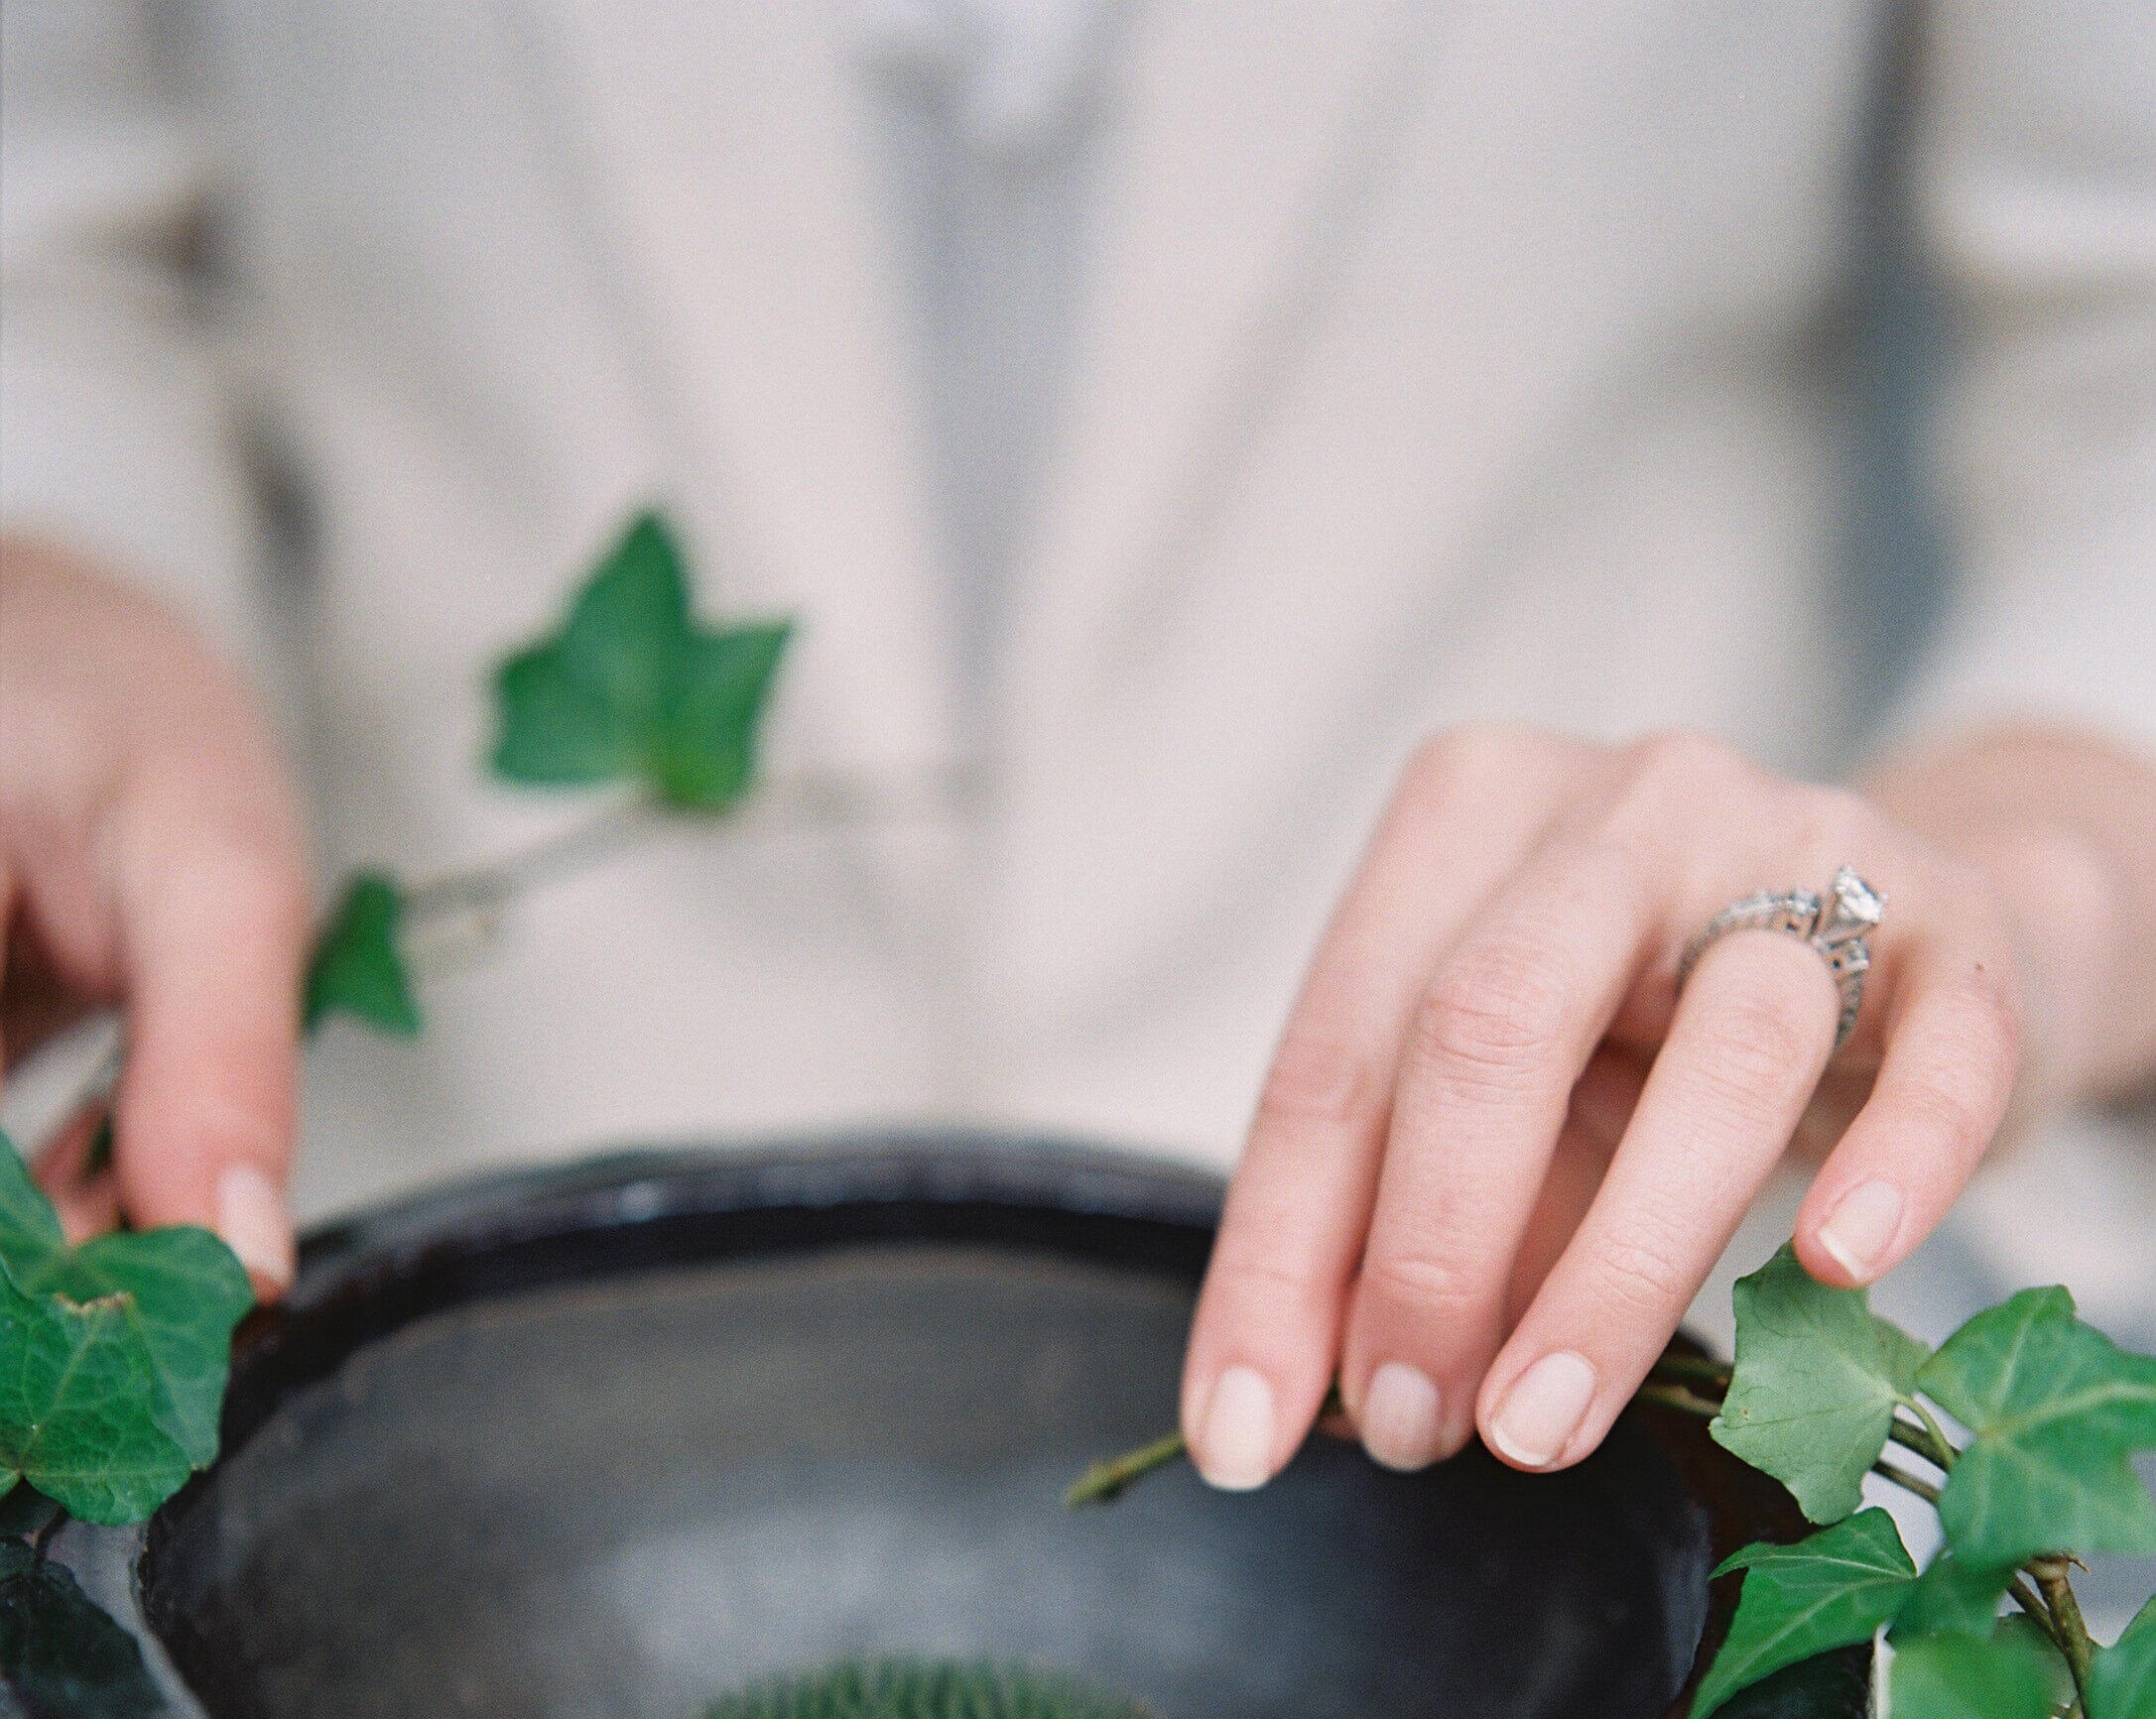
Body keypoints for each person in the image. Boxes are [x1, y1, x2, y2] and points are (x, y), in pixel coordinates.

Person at [3, 2, 2154, 1495]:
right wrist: (58, 576)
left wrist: (2007, 877)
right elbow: (52, 253)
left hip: (1576, 1441)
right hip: (385, 1412)